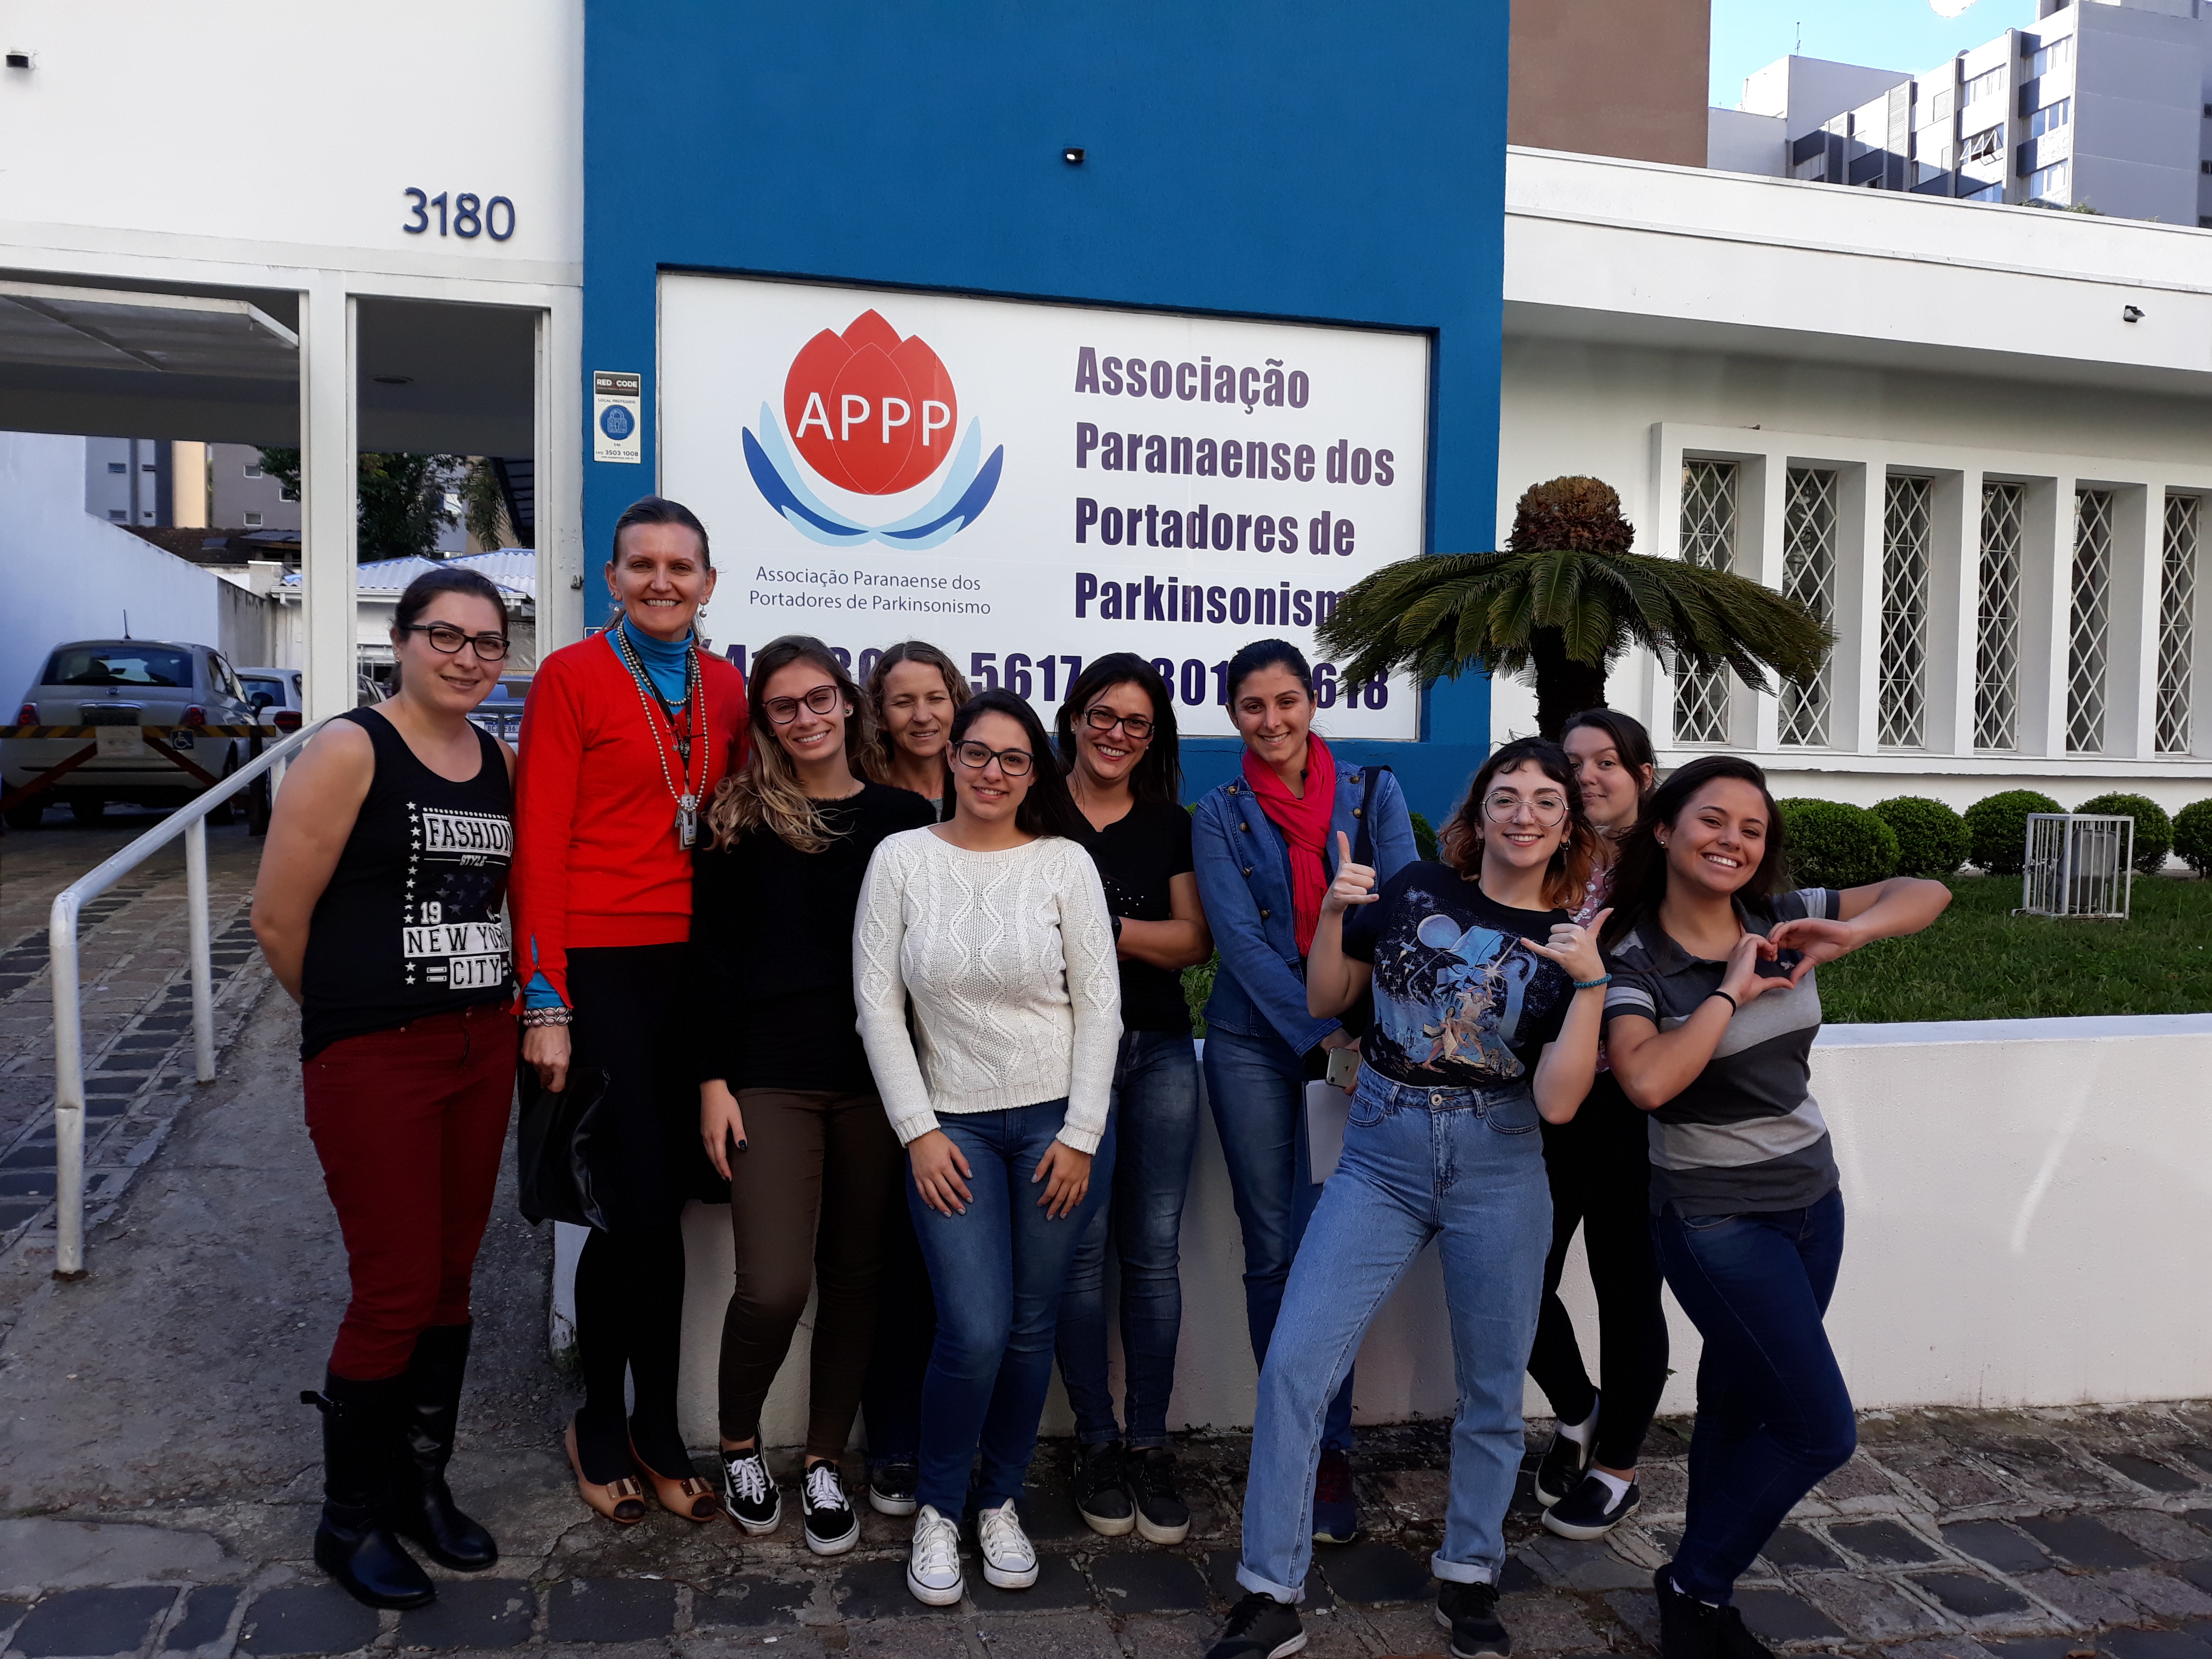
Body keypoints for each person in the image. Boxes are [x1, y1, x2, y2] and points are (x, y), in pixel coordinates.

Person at [1208, 737, 1612, 1659]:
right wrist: (1329, 919)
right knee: (1295, 1365)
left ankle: (1468, 1575)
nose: (1522, 814)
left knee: (1489, 1392)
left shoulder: (1566, 947)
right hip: (1379, 1156)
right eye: (1505, 795)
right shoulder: (1417, 887)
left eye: (1544, 801)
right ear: (1479, 812)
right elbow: (1329, 994)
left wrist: (1589, 980)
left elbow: (1556, 1100)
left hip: (1500, 1163)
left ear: (1565, 826)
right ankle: (1269, 1593)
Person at [1598, 756, 1949, 1659]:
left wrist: (1853, 932)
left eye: (1751, 830)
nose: (1733, 842)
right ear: (1665, 829)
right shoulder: (1633, 954)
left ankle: (1695, 1608)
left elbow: (1928, 889)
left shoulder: (1780, 914)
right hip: (1714, 1220)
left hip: (1810, 1201)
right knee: (1818, 1428)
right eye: (1713, 821)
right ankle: (1695, 1580)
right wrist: (1727, 993)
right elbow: (1644, 1079)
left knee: (1740, 1398)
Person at [251, 567, 520, 1609]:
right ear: (402, 642)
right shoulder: (350, 749)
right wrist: (352, 1024)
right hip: (375, 1054)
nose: (466, 658)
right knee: (395, 1285)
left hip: (478, 1046)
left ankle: (418, 1489)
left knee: (451, 1280)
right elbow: (280, 921)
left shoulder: (499, 758)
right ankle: (348, 1519)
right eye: (445, 636)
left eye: (488, 642)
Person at [853, 688, 1122, 1608]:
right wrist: (919, 1130)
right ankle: (938, 1507)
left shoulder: (1063, 864)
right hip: (952, 1127)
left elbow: (1100, 1006)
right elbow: (877, 1009)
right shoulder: (899, 860)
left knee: (1029, 1327)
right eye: (978, 753)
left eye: (1013, 758)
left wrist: (1083, 1134)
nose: (992, 773)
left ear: (1034, 772)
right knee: (971, 1329)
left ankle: (998, 1498)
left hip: (1056, 1123)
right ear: (952, 757)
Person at [510, 496, 749, 1528]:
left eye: (680, 566)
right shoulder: (570, 677)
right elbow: (539, 841)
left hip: (691, 973)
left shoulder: (729, 687)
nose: (662, 581)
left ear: (707, 580)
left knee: (674, 1214)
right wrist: (545, 997)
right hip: (600, 973)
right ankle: (603, 1422)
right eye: (641, 565)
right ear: (611, 579)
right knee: (626, 1210)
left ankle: (657, 1426)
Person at [692, 636, 935, 1555]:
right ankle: (740, 1442)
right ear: (764, 722)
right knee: (774, 1283)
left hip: (876, 1079)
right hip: (770, 1079)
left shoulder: (901, 818)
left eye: (819, 698)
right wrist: (712, 1081)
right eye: (784, 705)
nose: (805, 716)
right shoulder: (738, 818)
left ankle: (826, 1459)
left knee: (858, 1279)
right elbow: (710, 963)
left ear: (846, 703)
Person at [1189, 638, 1415, 1544]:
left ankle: (1327, 1449)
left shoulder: (1372, 793)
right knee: (1270, 1247)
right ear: (1234, 714)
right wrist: (1322, 1032)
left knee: (1328, 1249)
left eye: (1286, 701)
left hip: (1354, 1042)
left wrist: (1355, 1034)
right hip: (1257, 1043)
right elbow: (1238, 945)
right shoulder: (1219, 811)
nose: (1271, 721)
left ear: (1312, 701)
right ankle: (1288, 1440)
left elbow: (1399, 909)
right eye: (1252, 706)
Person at [1050, 654, 1212, 1545]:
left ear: (1154, 739)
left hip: (1154, 1055)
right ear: (1074, 718)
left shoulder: (1167, 825)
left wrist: (1099, 928)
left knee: (1151, 1254)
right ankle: (1095, 1442)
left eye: (1136, 724)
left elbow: (1191, 940)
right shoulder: (1034, 813)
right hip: (1063, 1059)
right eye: (1102, 716)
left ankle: (1150, 1445)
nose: (1116, 734)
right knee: (1076, 1255)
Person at [1527, 708, 1667, 1541]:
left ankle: (1617, 1466)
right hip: (1543, 1095)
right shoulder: (1547, 856)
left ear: (1643, 776)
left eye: (1606, 761)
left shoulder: (1673, 868)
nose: (1586, 777)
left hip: (1632, 1107)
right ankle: (1577, 1409)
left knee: (1626, 1286)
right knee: (1519, 1279)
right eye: (1571, 763)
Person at [854, 638, 971, 1514]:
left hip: (975, 1057)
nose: (922, 714)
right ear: (878, 712)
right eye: (902, 700)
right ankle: (890, 1440)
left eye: (935, 697)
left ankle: (949, 1436)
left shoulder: (992, 786)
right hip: (884, 1052)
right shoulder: (866, 806)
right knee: (892, 1255)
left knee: (957, 1259)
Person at [864, 639, 970, 817]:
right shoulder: (864, 802)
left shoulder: (982, 794)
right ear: (880, 716)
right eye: (904, 703)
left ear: (956, 705)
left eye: (936, 699)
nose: (922, 717)